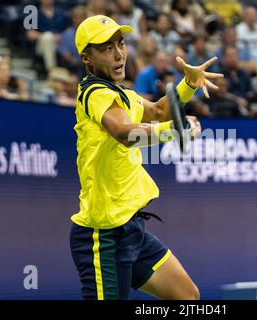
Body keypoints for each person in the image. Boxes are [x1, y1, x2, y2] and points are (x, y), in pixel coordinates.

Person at [70, 15, 223, 300]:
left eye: (121, 44)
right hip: (102, 236)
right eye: (106, 48)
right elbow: (123, 133)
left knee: (187, 297)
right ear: (87, 58)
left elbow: (158, 112)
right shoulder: (93, 92)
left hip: (131, 229)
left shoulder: (122, 94)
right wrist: (174, 130)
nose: (118, 55)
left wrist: (188, 83)